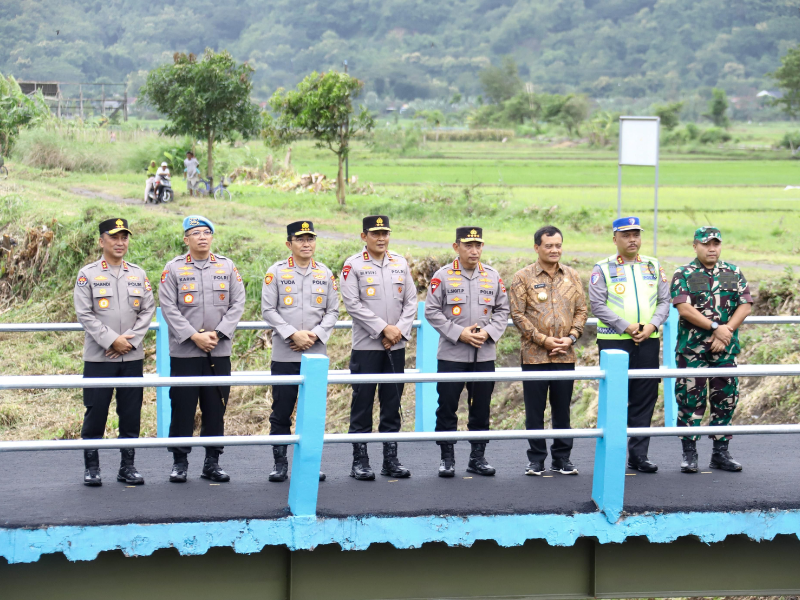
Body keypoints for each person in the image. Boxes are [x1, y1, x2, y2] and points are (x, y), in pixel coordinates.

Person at [159, 215, 246, 483]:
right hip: (185, 351)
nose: (202, 237)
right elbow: (168, 307)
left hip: (218, 350)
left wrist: (217, 334)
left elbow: (238, 303)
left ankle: (212, 462)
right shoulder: (173, 268)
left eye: (207, 232)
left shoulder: (226, 266)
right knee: (182, 407)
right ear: (186, 239)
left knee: (215, 407)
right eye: (196, 233)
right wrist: (194, 336)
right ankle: (180, 462)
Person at [73, 218, 155, 486]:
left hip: (131, 356)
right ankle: (92, 467)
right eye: (114, 237)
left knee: (130, 413)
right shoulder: (88, 274)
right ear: (101, 241)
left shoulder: (138, 274)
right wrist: (111, 341)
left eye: (124, 237)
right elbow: (84, 313)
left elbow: (147, 310)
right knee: (96, 412)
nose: (120, 243)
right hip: (100, 357)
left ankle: (127, 467)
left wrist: (129, 342)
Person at [425, 227, 510, 477]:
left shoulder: (492, 276)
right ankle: (447, 458)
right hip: (452, 354)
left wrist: (489, 332)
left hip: (484, 354)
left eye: (478, 245)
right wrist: (458, 333)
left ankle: (477, 457)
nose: (474, 251)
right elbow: (431, 311)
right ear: (456, 247)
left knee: (481, 407)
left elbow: (503, 311)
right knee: (447, 406)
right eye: (468, 245)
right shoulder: (442, 276)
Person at [589, 216, 670, 473]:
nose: (632, 239)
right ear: (615, 239)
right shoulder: (602, 268)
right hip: (614, 342)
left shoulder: (653, 265)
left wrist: (652, 326)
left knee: (645, 398)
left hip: (647, 341)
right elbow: (597, 305)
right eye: (626, 235)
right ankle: (612, 454)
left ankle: (639, 455)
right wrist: (625, 326)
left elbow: (664, 301)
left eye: (636, 234)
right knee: (615, 399)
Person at [340, 215, 417, 480]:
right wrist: (384, 329)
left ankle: (390, 460)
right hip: (367, 347)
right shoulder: (353, 265)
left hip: (395, 346)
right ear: (364, 236)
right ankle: (359, 461)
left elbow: (411, 301)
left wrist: (398, 331)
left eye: (385, 233)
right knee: (362, 404)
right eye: (375, 234)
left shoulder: (400, 263)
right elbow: (353, 305)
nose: (381, 238)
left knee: (392, 403)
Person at [262, 221, 339, 482]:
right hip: (285, 353)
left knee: (312, 413)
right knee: (281, 410)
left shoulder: (324, 273)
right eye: (300, 239)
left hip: (315, 354)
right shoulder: (276, 272)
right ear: (289, 243)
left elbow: (333, 311)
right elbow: (268, 310)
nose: (306, 244)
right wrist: (292, 334)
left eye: (310, 239)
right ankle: (280, 463)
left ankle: (309, 464)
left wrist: (314, 335)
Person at [670, 226, 752, 473]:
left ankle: (720, 453)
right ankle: (689, 454)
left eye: (716, 243)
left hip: (724, 350)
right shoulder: (684, 273)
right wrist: (716, 327)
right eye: (706, 244)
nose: (712, 248)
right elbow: (684, 308)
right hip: (692, 351)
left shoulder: (733, 272)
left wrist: (726, 332)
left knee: (725, 400)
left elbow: (745, 305)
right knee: (689, 402)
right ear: (695, 245)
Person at [509, 225, 587, 476]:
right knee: (534, 411)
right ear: (537, 247)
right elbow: (517, 314)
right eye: (549, 245)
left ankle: (562, 458)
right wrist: (543, 340)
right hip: (534, 357)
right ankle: (536, 460)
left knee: (562, 410)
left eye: (558, 245)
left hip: (565, 354)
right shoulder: (522, 277)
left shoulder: (572, 276)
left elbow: (582, 310)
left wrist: (571, 338)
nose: (555, 250)